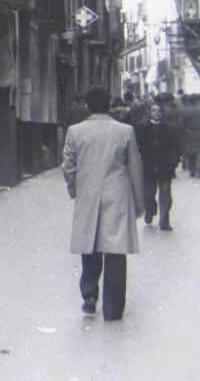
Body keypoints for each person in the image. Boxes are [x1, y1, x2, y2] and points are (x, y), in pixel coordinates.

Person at [61, 85, 144, 322]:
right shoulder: (125, 131)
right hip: (117, 195)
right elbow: (135, 168)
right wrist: (139, 202)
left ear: (87, 105)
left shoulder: (75, 131)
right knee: (116, 251)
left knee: (90, 244)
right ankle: (113, 308)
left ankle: (89, 294)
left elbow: (68, 166)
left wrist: (74, 188)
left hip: (88, 193)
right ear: (108, 104)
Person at [136, 104, 182, 230]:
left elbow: (176, 147)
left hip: (165, 165)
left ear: (163, 112)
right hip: (148, 166)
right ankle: (150, 211)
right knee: (148, 194)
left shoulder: (170, 128)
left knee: (165, 192)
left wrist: (174, 161)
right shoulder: (141, 127)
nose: (157, 113)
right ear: (149, 112)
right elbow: (137, 146)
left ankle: (164, 220)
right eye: (154, 111)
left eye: (159, 111)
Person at [180, 94, 200, 177]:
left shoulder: (185, 111)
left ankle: (192, 170)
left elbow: (182, 124)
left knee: (191, 152)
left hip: (189, 133)